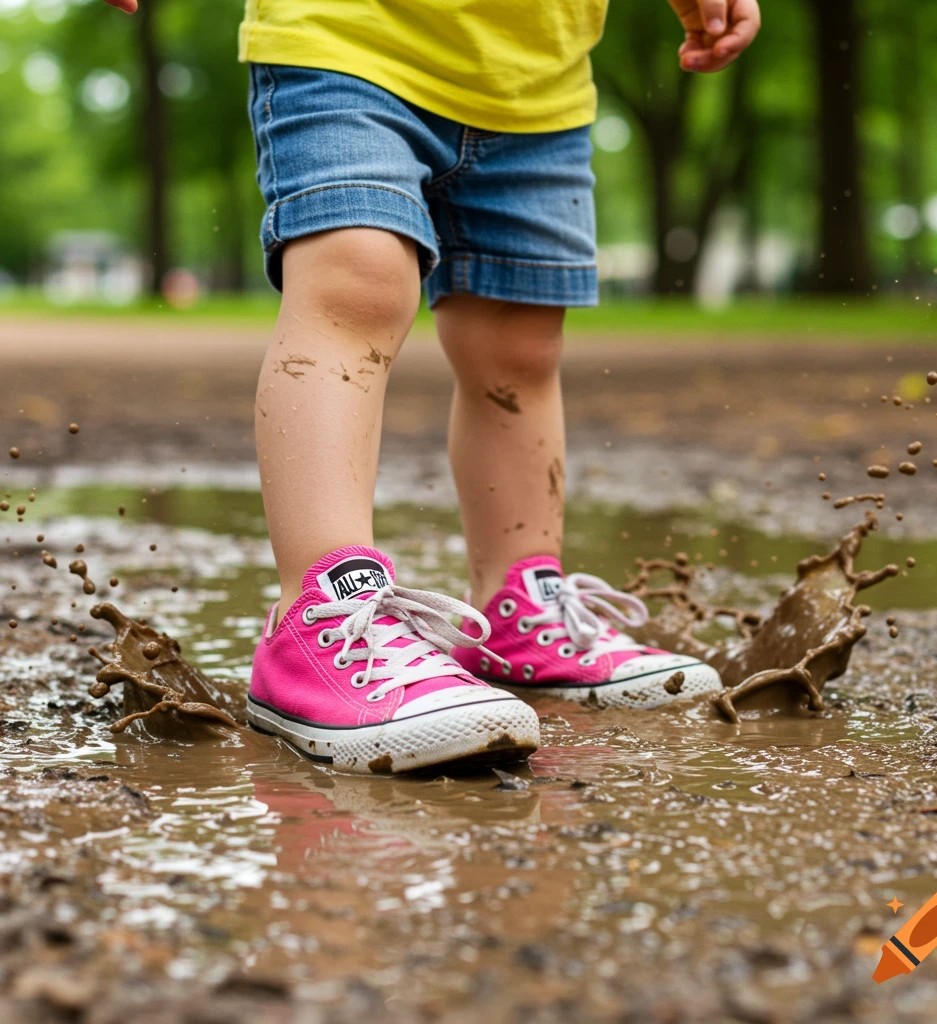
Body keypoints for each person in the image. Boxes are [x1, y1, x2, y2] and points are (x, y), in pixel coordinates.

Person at [104, 0, 761, 773]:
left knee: (518, 342)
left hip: (535, 80)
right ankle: (323, 611)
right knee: (360, 281)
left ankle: (521, 605)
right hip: (347, 40)